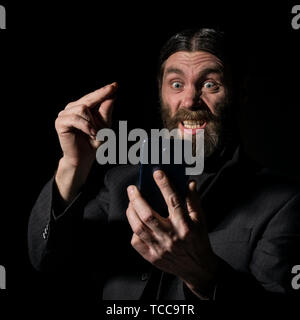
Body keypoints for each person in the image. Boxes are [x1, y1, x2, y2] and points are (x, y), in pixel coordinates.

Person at [28, 28, 300, 300]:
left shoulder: (283, 203)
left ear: (239, 93)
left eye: (210, 85)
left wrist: (204, 275)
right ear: (161, 93)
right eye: (177, 84)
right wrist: (73, 165)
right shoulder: (118, 183)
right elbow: (48, 260)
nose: (190, 100)